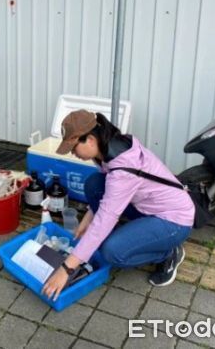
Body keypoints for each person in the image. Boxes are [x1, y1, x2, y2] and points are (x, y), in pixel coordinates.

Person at [42, 110, 195, 300]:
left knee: (112, 251)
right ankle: (130, 236)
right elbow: (107, 197)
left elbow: (105, 218)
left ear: (89, 139)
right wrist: (89, 219)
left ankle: (167, 253)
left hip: (174, 221)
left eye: (73, 148)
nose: (73, 153)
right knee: (94, 184)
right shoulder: (107, 150)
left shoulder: (123, 170)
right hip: (146, 206)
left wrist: (66, 269)